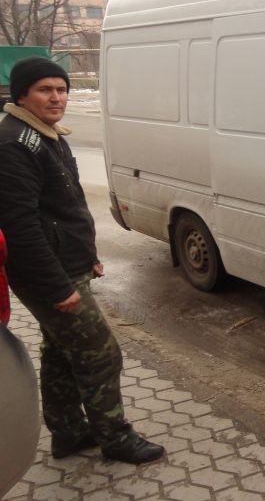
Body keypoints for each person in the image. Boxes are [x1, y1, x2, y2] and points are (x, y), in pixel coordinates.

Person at [0, 57, 164, 464]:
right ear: (22, 95)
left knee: (60, 351)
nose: (57, 97)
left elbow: (65, 206)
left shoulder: (43, 134)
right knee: (101, 353)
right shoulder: (15, 144)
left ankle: (69, 433)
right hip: (49, 276)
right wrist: (57, 287)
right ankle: (115, 438)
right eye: (45, 89)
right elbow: (20, 226)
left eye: (61, 89)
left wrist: (87, 256)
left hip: (65, 265)